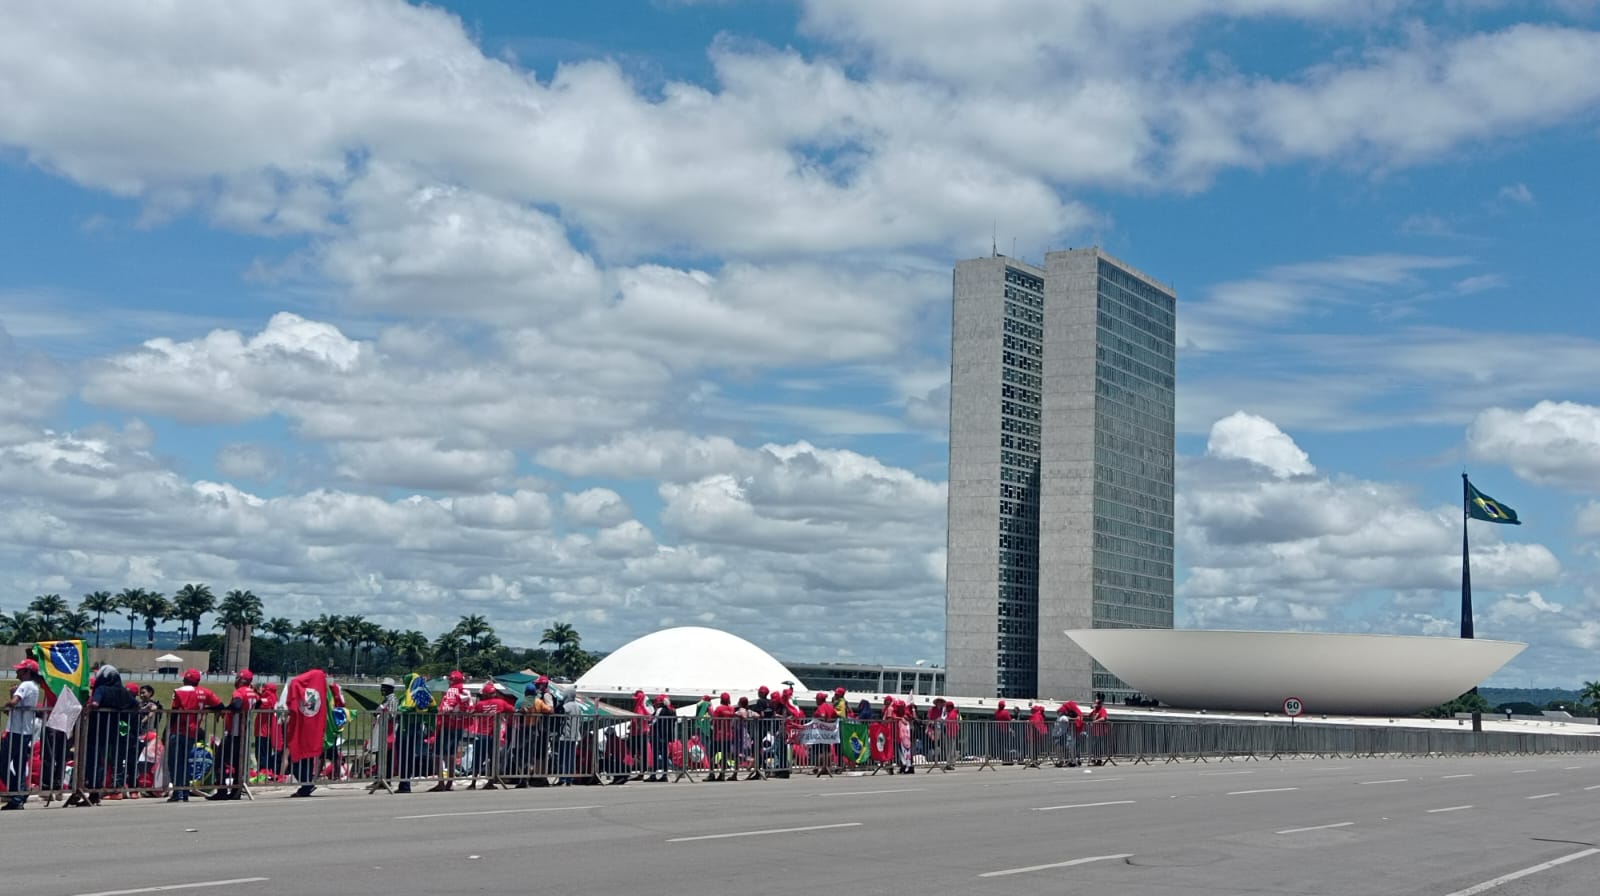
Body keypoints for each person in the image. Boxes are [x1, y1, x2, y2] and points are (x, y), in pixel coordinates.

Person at [82, 665, 140, 803]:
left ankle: (94, 790)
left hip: (97, 732)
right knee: (114, 761)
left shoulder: (101, 689)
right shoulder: (123, 692)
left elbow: (95, 703)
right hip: (115, 733)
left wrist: (87, 709)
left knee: (95, 761)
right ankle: (112, 788)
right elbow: (135, 705)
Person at [165, 669, 221, 802]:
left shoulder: (180, 691)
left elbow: (174, 712)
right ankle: (184, 792)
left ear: (186, 679)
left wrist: (168, 729)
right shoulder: (206, 692)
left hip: (179, 730)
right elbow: (219, 705)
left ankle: (178, 793)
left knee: (175, 762)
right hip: (193, 731)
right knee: (184, 762)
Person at [207, 670, 259, 800]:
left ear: (241, 680)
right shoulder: (253, 693)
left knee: (220, 760)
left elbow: (237, 705)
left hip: (233, 732)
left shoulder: (239, 692)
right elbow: (259, 704)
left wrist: (225, 709)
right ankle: (236, 790)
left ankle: (222, 789)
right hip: (243, 731)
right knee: (237, 762)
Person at [2, 659, 42, 810]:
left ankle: (17, 794)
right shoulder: (34, 687)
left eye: (20, 670)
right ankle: (19, 793)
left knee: (5, 764)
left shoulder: (25, 685)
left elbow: (13, 702)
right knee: (18, 764)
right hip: (23, 731)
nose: (17, 672)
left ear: (27, 672)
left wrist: (9, 699)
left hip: (17, 732)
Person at [428, 670, 472, 792]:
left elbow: (446, 708)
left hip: (447, 725)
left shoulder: (452, 691)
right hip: (459, 726)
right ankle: (450, 783)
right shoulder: (466, 691)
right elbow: (470, 708)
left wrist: (440, 710)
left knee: (438, 755)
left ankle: (441, 782)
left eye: (450, 679)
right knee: (451, 755)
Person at [367, 677, 400, 793]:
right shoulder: (385, 700)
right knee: (379, 755)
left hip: (388, 732)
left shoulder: (392, 700)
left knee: (387, 756)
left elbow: (391, 715)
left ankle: (387, 779)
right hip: (381, 731)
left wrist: (380, 713)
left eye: (385, 687)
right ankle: (379, 778)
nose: (383, 689)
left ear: (390, 689)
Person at [253, 682, 282, 783]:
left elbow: (258, 704)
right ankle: (266, 771)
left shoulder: (268, 697)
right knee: (267, 753)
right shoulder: (274, 697)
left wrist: (256, 693)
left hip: (263, 731)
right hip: (269, 732)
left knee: (261, 754)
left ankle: (263, 772)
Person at [648, 694, 674, 782]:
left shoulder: (660, 710)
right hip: (666, 736)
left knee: (655, 755)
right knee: (665, 756)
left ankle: (653, 775)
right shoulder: (672, 710)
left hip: (657, 735)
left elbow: (653, 721)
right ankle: (664, 775)